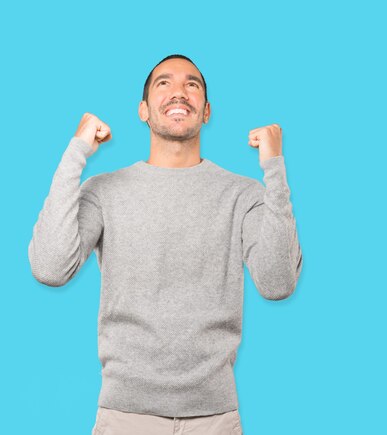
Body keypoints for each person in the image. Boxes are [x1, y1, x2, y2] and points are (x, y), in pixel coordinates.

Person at [27, 54, 303, 435]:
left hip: (215, 419)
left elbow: (277, 283)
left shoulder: (243, 194)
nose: (179, 92)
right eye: (164, 84)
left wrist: (274, 166)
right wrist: (76, 151)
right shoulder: (105, 191)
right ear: (143, 110)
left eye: (192, 85)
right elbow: (49, 267)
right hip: (125, 416)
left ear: (206, 111)